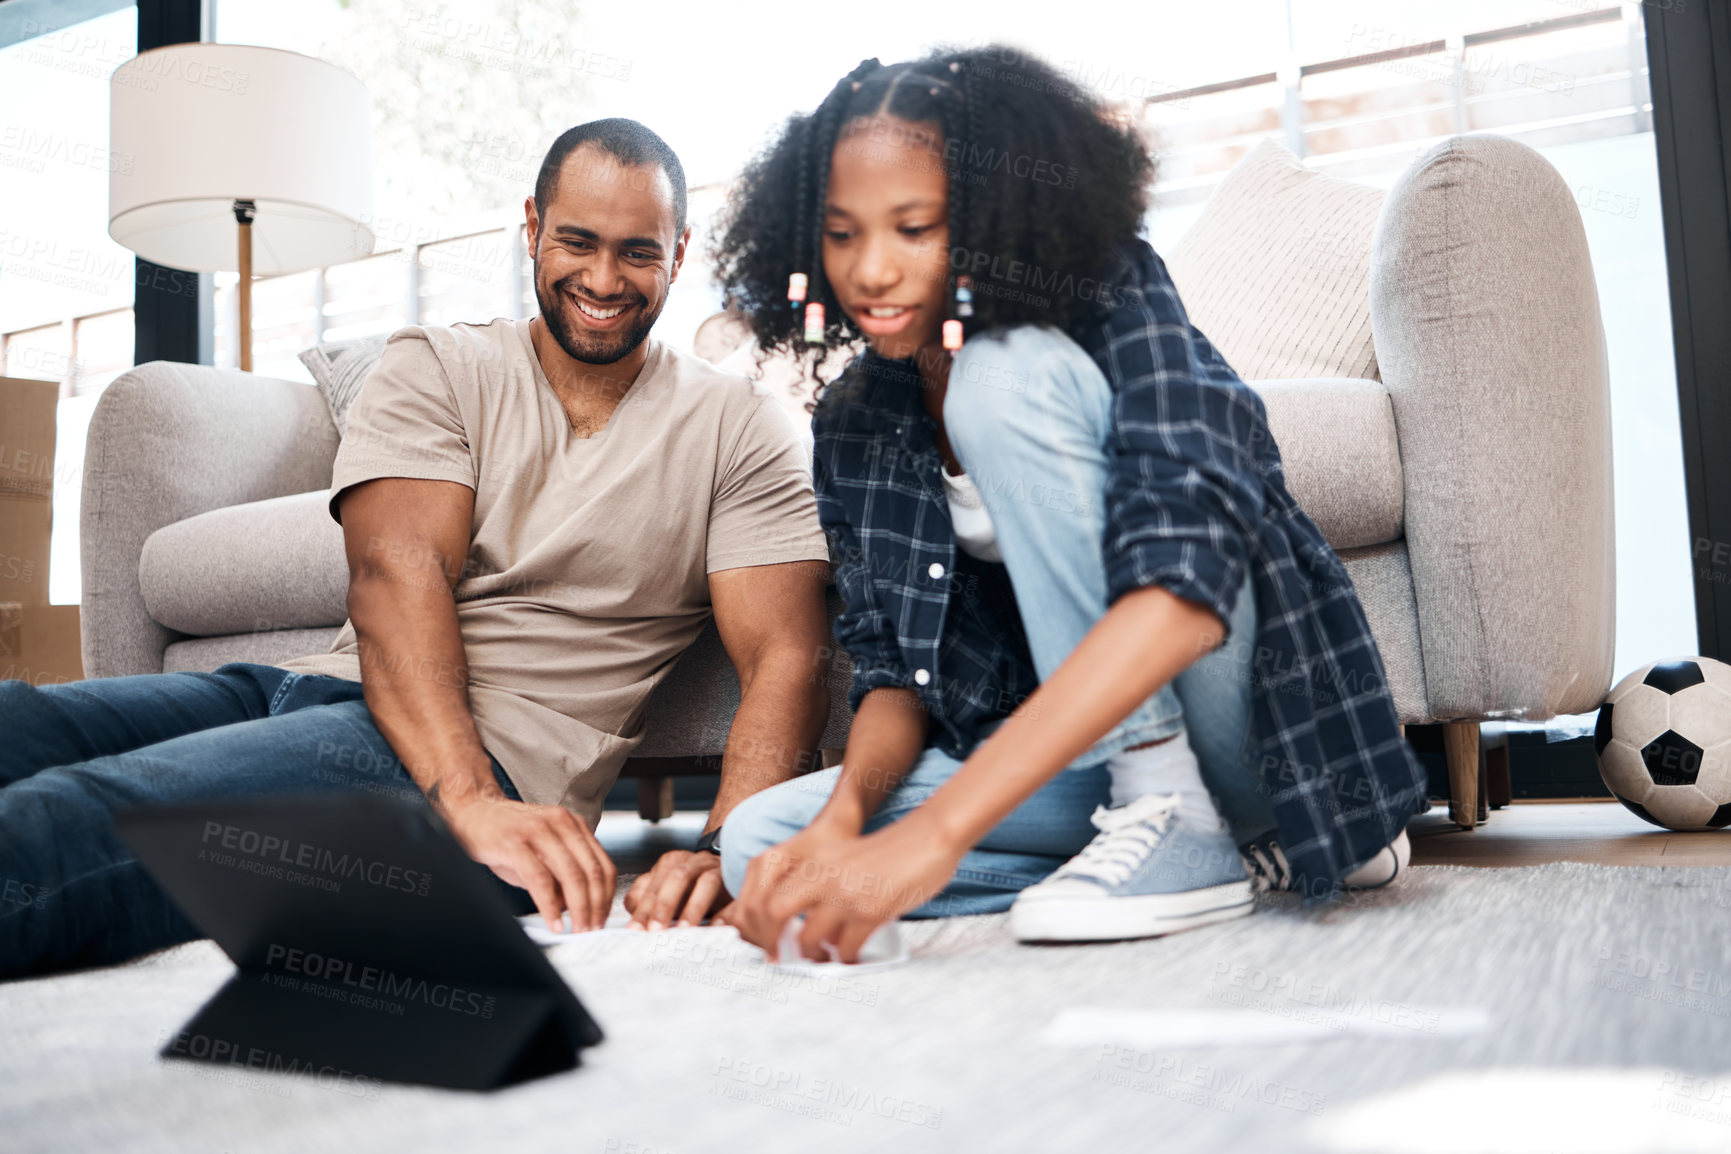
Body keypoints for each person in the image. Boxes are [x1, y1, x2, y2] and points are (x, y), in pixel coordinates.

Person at [0, 119, 833, 978]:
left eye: (636, 253)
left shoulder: (738, 425)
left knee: (77, 823)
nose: (603, 279)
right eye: (576, 242)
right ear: (532, 227)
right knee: (20, 722)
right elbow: (397, 576)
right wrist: (458, 795)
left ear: (680, 250)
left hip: (499, 774)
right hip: (314, 695)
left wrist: (729, 843)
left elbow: (784, 653)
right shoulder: (437, 363)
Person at [709, 49, 1428, 962]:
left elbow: (1186, 585)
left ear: (977, 221)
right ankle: (1229, 855)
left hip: (1242, 713)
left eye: (914, 227)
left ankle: (1174, 803)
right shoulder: (855, 419)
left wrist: (934, 836)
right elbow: (892, 675)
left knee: (994, 379)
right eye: (844, 234)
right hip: (1076, 753)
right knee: (763, 848)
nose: (873, 270)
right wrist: (849, 821)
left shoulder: (1107, 297)